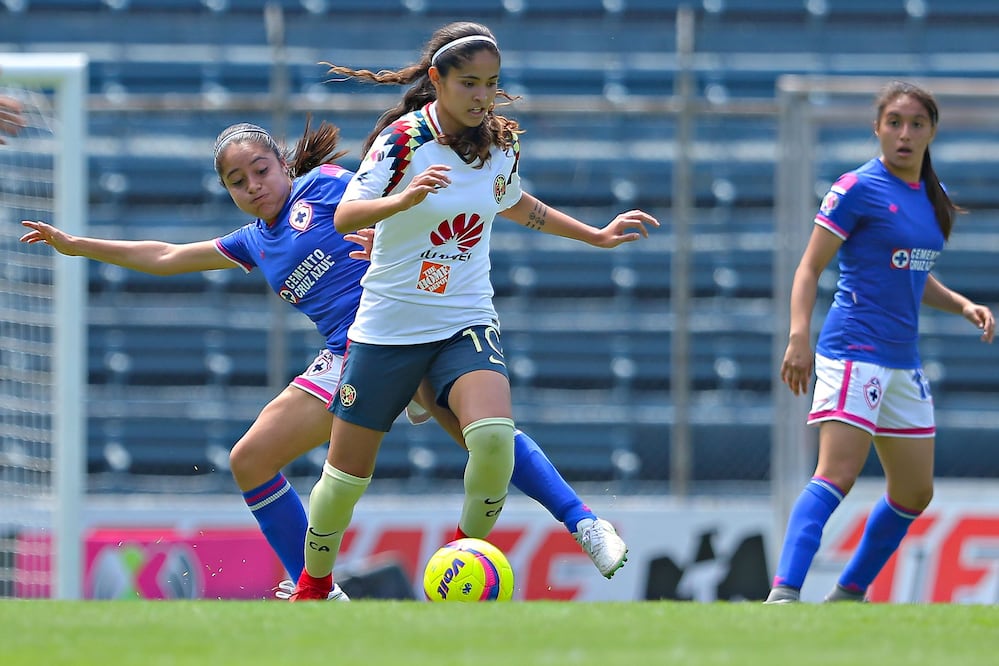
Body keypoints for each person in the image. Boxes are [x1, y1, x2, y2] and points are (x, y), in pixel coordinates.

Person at [20, 117, 632, 601]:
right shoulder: (253, 243)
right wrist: (77, 247)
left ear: (283, 163)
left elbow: (411, 192)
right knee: (250, 459)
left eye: (260, 170)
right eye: (237, 182)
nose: (253, 186)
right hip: (351, 353)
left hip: (412, 323)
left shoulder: (331, 185)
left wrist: (391, 226)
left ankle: (585, 526)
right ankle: (317, 589)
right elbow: (164, 255)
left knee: (486, 439)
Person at [288, 21, 659, 601]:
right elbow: (345, 218)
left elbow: (512, 201)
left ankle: (463, 566)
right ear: (437, 80)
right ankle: (313, 585)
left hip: (463, 318)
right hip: (387, 327)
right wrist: (405, 199)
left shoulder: (500, 143)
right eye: (469, 83)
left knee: (492, 440)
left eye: (491, 83)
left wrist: (597, 235)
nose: (483, 96)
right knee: (342, 482)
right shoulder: (404, 141)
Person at [765, 81, 995, 604]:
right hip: (853, 354)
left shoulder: (929, 199)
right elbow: (808, 268)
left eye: (916, 124)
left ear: (932, 131)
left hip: (901, 362)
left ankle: (848, 595)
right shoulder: (857, 188)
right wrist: (799, 335)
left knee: (914, 492)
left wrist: (960, 304)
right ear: (878, 129)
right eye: (894, 123)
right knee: (837, 474)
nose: (905, 134)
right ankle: (784, 594)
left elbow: (911, 273)